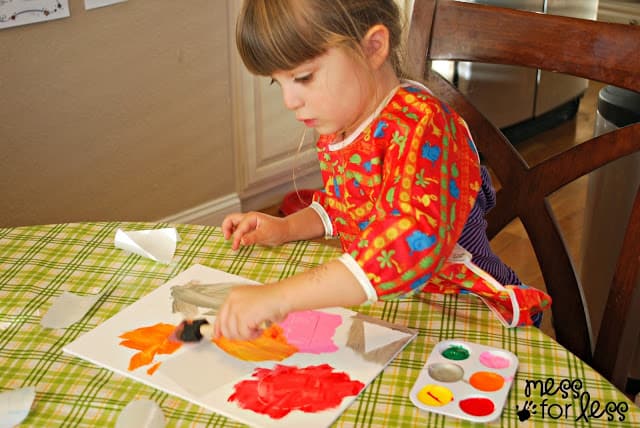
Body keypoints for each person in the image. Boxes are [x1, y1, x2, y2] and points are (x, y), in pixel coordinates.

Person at [215, 0, 550, 340]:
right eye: (279, 83)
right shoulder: (342, 125)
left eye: (303, 77)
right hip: (400, 306)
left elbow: (405, 243)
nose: (289, 101)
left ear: (373, 47)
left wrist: (280, 296)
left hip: (474, 313)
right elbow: (345, 203)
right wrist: (286, 228)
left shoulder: (425, 127)